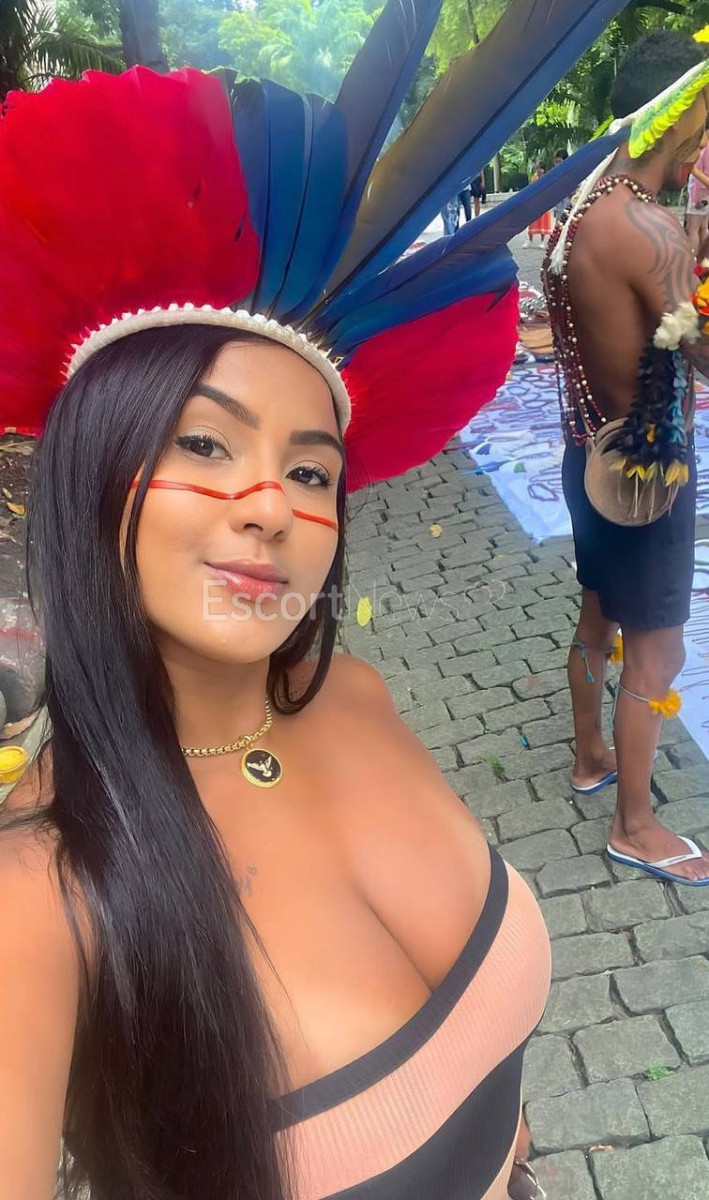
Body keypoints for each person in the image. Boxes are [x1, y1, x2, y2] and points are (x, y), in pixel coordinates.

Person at [0, 39, 558, 1200]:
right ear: (91, 477)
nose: (270, 507)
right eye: (205, 443)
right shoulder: (37, 892)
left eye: (310, 472)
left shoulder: (356, 697)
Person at [542, 29, 709, 886]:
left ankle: (588, 757)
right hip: (648, 474)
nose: (700, 150)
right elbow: (700, 352)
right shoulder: (648, 227)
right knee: (657, 655)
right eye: (700, 126)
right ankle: (634, 826)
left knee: (596, 620)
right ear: (672, 117)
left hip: (588, 456)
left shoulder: (579, 210)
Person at [685, 115, 709, 257]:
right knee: (703, 227)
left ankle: (692, 260)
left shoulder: (706, 150)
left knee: (693, 228)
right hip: (703, 194)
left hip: (700, 194)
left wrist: (692, 169)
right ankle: (702, 259)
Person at [525, 163, 554, 245]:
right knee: (532, 221)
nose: (537, 171)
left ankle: (542, 241)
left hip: (544, 201)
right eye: (536, 169)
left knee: (543, 221)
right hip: (535, 202)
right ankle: (530, 240)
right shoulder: (534, 177)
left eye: (539, 169)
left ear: (543, 170)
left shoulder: (547, 177)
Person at [552, 148, 570, 222]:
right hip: (559, 208)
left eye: (559, 161)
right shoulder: (554, 175)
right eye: (556, 162)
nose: (557, 164)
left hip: (568, 206)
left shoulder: (571, 173)